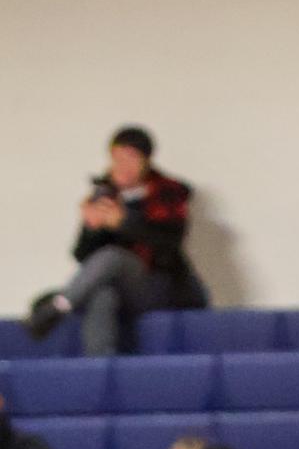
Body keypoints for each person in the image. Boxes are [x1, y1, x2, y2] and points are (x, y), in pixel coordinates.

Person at [26, 126, 207, 357]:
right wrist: (92, 229)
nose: (124, 165)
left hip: (159, 286)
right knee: (102, 294)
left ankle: (59, 306)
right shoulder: (104, 194)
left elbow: (169, 245)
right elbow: (84, 258)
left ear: (146, 161)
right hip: (119, 290)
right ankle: (101, 370)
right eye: (118, 158)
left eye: (132, 158)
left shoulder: (168, 192)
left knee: (113, 256)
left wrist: (124, 223)